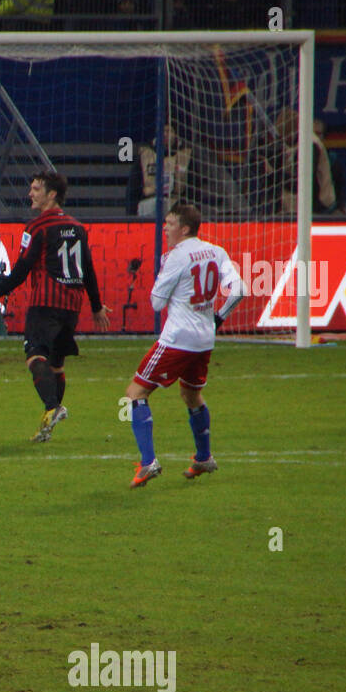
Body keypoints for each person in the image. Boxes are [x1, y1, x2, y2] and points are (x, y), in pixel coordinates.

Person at [0, 170, 111, 442]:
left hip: (45, 304)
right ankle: (48, 424)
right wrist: (96, 306)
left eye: (35, 189)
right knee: (55, 366)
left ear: (51, 194)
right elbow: (88, 269)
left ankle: (52, 408)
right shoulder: (78, 228)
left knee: (35, 358)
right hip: (72, 307)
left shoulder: (36, 228)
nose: (30, 194)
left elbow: (21, 272)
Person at [123, 201, 245, 488]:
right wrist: (219, 318)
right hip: (205, 338)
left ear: (185, 228)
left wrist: (167, 279)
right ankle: (203, 457)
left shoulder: (176, 257)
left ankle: (148, 462)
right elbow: (240, 289)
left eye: (170, 223)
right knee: (192, 395)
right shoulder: (217, 251)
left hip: (178, 338)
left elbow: (156, 302)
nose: (165, 227)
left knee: (135, 394)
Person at [136, 124, 192, 218]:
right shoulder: (145, 153)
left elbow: (192, 185)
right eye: (163, 131)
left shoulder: (186, 154)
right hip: (150, 202)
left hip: (176, 204)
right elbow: (134, 187)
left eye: (169, 131)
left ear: (175, 134)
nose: (165, 134)